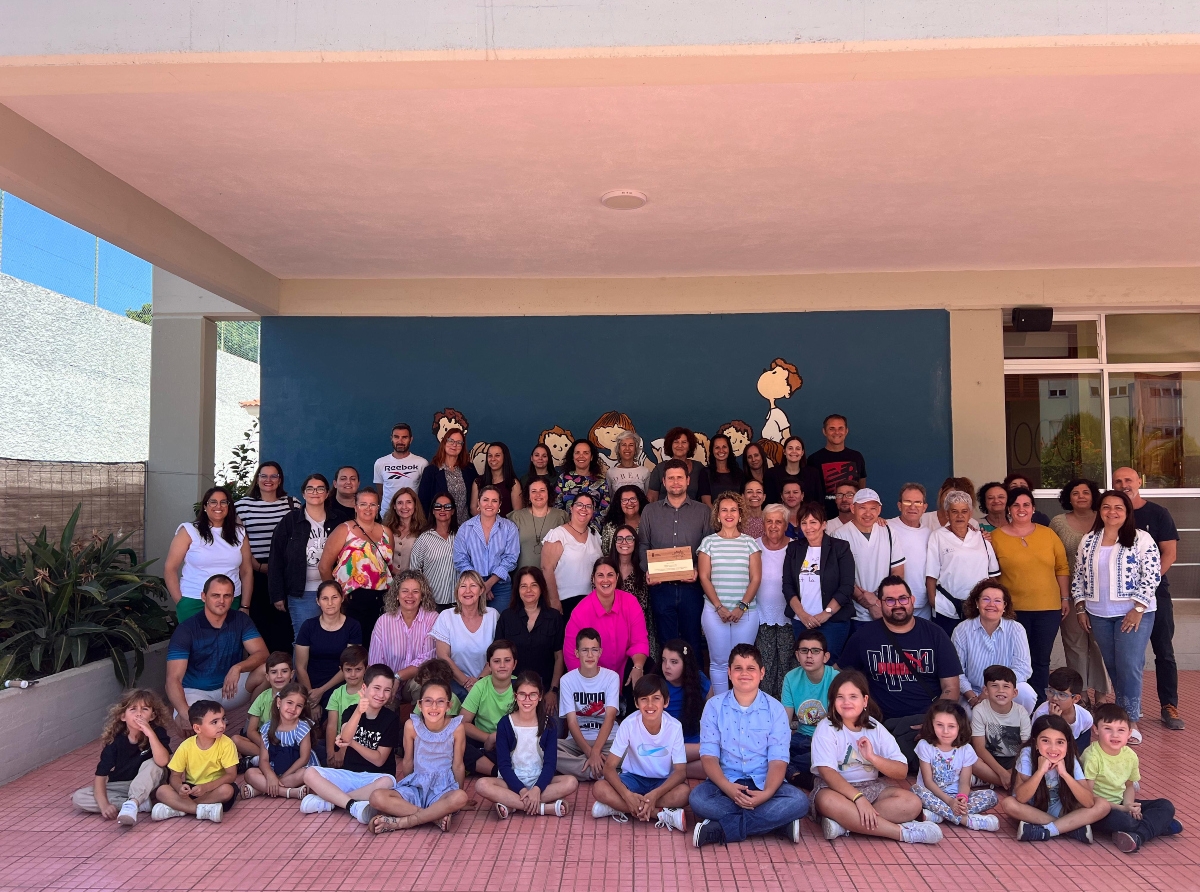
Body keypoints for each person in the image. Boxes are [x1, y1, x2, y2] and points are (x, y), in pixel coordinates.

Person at [689, 643, 810, 848]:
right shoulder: (714, 706)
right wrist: (727, 788)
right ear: (729, 673)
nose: (744, 674)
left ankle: (721, 829)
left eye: (751, 668)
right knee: (698, 799)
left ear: (762, 673)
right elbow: (708, 756)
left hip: (764, 782)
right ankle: (776, 824)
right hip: (727, 784)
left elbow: (778, 759)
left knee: (799, 801)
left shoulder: (775, 709)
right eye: (738, 668)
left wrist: (767, 794)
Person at [838, 576, 962, 772]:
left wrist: (933, 723)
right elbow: (840, 677)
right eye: (890, 600)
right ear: (879, 603)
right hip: (878, 725)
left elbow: (951, 689)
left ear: (912, 600)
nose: (898, 605)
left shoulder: (935, 634)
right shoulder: (864, 636)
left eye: (903, 599)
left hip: (924, 719)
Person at [809, 670, 939, 844]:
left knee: (912, 803)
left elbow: (901, 771)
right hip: (835, 789)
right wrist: (858, 799)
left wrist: (872, 757)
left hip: (872, 787)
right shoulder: (826, 727)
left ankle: (846, 824)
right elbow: (827, 773)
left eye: (853, 696)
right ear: (833, 702)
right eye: (840, 697)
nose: (846, 702)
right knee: (827, 801)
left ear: (864, 701)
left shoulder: (874, 727)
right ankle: (901, 833)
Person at [1072, 488, 1160, 744]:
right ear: (1100, 511)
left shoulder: (1141, 539)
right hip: (1099, 614)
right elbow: (1078, 576)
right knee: (1113, 667)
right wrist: (1080, 607)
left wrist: (1138, 608)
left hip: (1134, 614)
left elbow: (1152, 575)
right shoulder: (1089, 540)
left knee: (1129, 667)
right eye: (1107, 507)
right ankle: (1120, 716)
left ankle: (1129, 722)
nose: (1112, 512)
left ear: (1127, 512)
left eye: (1118, 508)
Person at [1112, 466, 1184, 731]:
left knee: (1163, 651)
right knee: (1129, 659)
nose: (1123, 485)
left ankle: (1169, 705)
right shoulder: (1110, 515)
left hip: (1156, 596)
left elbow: (1170, 554)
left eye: (1128, 480)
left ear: (1139, 482)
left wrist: (1146, 587)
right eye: (1117, 481)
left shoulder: (1157, 514)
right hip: (1118, 601)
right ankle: (1127, 710)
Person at [989, 487, 1069, 701]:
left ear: (1033, 508)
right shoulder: (995, 538)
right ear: (1008, 509)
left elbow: (1061, 567)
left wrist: (1065, 598)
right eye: (1016, 505)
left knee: (1041, 660)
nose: (1021, 509)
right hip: (1013, 612)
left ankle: (1039, 706)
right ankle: (1014, 703)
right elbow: (992, 576)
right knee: (1015, 659)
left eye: (1026, 505)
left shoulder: (1048, 534)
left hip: (1048, 609)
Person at [164, 575, 268, 736]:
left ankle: (250, 728)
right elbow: (172, 679)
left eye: (227, 595)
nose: (222, 600)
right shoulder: (187, 629)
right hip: (197, 691)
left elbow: (262, 654)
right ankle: (199, 755)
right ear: (204, 597)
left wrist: (238, 667)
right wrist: (186, 714)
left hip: (230, 688)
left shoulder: (240, 620)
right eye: (215, 595)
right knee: (188, 725)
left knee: (267, 671)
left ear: (233, 597)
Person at [366, 678, 471, 835]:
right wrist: (405, 788)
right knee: (376, 797)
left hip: (443, 788)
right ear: (419, 705)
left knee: (460, 797)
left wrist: (458, 795)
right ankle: (433, 817)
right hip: (417, 785)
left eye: (440, 701)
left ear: (449, 706)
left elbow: (458, 765)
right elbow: (408, 761)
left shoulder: (457, 728)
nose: (434, 707)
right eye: (428, 701)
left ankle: (404, 821)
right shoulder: (411, 726)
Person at [300, 664, 400, 823]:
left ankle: (332, 802)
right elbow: (345, 738)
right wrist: (359, 711)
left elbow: (379, 759)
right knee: (310, 773)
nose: (381, 695)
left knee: (389, 782)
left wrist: (352, 743)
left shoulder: (391, 719)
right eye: (376, 688)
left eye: (387, 690)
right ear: (364, 688)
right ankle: (353, 805)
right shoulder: (351, 711)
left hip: (376, 779)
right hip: (350, 775)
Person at [591, 674, 690, 830]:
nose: (650, 705)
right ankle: (659, 814)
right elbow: (609, 767)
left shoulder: (674, 726)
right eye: (644, 699)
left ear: (666, 702)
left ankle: (618, 808)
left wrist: (655, 794)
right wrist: (627, 795)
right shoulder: (628, 724)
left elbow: (680, 772)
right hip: (633, 779)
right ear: (636, 703)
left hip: (661, 781)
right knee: (599, 788)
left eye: (656, 698)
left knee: (684, 793)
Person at [475, 670, 578, 819]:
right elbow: (503, 765)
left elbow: (550, 764)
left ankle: (512, 805)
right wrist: (522, 790)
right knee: (481, 785)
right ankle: (543, 808)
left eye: (533, 694)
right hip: (511, 781)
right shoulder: (505, 723)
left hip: (539, 779)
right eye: (522, 694)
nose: (527, 699)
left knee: (571, 782)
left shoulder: (549, 724)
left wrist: (537, 789)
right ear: (515, 696)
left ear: (540, 696)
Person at [1083, 703, 1182, 853]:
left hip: (1122, 803)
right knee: (1125, 822)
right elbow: (1087, 796)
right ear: (1096, 729)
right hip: (1098, 808)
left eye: (1121, 730)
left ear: (1129, 733)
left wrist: (1130, 806)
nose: (1115, 735)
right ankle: (1158, 826)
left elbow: (1129, 785)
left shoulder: (1130, 755)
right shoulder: (1092, 756)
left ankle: (1138, 836)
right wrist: (1123, 809)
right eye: (1107, 729)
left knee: (1165, 805)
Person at [638, 459, 711, 657]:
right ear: (663, 481)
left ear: (688, 481)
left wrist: (697, 569)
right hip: (661, 588)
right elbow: (643, 544)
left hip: (692, 588)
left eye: (680, 477)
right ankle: (669, 687)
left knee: (693, 641)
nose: (675, 482)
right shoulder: (649, 511)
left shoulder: (703, 511)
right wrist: (648, 570)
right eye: (671, 478)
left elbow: (708, 548)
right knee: (666, 642)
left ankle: (692, 686)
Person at [998, 713, 1111, 842]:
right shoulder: (1027, 754)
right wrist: (1040, 771)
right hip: (1034, 811)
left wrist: (1064, 774)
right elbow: (1021, 798)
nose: (1053, 748)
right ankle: (1069, 828)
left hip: (1062, 808)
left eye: (1060, 742)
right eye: (1045, 741)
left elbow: (1088, 802)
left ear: (1067, 745)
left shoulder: (1070, 759)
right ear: (1035, 743)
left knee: (1103, 805)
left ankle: (1046, 831)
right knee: (1008, 804)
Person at [1049, 478, 1110, 707]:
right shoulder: (1058, 523)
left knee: (1100, 643)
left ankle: (1102, 693)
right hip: (1070, 594)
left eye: (1086, 492)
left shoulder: (1105, 519)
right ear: (1069, 497)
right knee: (1074, 644)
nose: (1081, 496)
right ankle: (1081, 693)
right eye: (1076, 493)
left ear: (1094, 495)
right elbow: (1054, 558)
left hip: (1101, 595)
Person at [71, 689, 171, 825]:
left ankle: (134, 802)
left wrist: (150, 733)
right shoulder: (115, 742)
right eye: (133, 709)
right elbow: (100, 776)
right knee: (79, 797)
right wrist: (104, 805)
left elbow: (163, 761)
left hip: (152, 782)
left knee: (153, 763)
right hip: (123, 785)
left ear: (152, 716)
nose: (139, 714)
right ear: (123, 716)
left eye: (145, 709)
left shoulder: (157, 733)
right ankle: (138, 804)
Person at [697, 493, 762, 695]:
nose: (729, 514)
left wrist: (741, 606)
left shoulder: (750, 543)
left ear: (740, 515)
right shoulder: (708, 542)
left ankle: (741, 704)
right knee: (718, 662)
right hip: (715, 612)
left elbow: (756, 578)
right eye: (724, 510)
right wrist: (719, 607)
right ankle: (720, 707)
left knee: (742, 663)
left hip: (746, 613)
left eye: (733, 509)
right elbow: (704, 577)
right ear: (717, 515)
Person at [164, 485, 253, 622]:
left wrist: (245, 605)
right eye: (213, 502)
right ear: (205, 506)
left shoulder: (239, 533)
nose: (218, 506)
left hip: (230, 601)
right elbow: (170, 568)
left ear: (229, 506)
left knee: (228, 643)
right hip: (194, 600)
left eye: (224, 502)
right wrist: (180, 602)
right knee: (196, 643)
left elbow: (246, 570)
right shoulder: (189, 531)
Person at [236, 462, 299, 653]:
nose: (268, 480)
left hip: (284, 575)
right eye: (264, 476)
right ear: (257, 478)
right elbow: (237, 540)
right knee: (259, 624)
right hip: (255, 573)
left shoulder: (292, 504)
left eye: (274, 476)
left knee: (284, 626)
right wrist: (256, 565)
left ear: (280, 480)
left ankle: (283, 674)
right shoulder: (242, 506)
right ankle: (262, 674)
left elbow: (297, 539)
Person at [783, 502, 856, 662]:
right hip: (802, 622)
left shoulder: (840, 548)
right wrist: (802, 614)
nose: (808, 527)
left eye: (813, 522)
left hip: (832, 623)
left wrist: (825, 614)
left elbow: (846, 587)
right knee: (807, 666)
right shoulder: (794, 548)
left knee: (828, 667)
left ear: (824, 524)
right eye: (804, 523)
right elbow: (787, 586)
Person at [563, 557, 650, 690]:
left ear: (617, 577)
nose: (605, 580)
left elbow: (640, 641)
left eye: (610, 575)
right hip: (594, 674)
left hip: (625, 669)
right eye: (600, 575)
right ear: (593, 579)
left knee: (648, 666)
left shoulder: (630, 602)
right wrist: (587, 684)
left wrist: (638, 667)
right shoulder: (580, 611)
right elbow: (571, 653)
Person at [269, 473, 339, 638]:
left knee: (333, 638)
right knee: (303, 639)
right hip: (301, 593)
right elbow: (276, 558)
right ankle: (301, 666)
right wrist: (277, 594)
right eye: (310, 488)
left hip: (334, 592)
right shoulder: (290, 521)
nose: (315, 492)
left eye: (320, 488)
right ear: (303, 494)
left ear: (327, 493)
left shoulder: (338, 520)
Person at [952, 581, 1036, 717]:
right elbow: (957, 672)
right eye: (986, 599)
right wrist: (973, 698)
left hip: (1006, 692)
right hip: (974, 693)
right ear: (977, 603)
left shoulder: (1016, 629)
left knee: (1027, 693)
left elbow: (1023, 668)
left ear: (1004, 606)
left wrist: (996, 690)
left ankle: (1017, 729)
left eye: (997, 601)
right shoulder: (962, 630)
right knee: (972, 719)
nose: (991, 605)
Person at [911, 701, 999, 831]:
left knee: (991, 796)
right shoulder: (925, 745)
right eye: (939, 725)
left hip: (955, 796)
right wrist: (949, 802)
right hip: (933, 795)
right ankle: (966, 820)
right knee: (915, 790)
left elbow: (965, 782)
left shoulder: (966, 749)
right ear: (931, 725)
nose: (945, 731)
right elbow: (928, 782)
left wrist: (961, 799)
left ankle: (940, 815)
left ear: (960, 727)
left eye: (951, 726)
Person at [319, 487, 392, 642]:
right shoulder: (343, 530)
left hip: (382, 599)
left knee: (378, 643)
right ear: (355, 506)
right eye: (363, 504)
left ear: (378, 507)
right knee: (354, 646)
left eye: (373, 505)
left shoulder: (386, 532)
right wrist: (336, 595)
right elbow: (324, 567)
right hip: (352, 599)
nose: (368, 508)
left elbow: (387, 566)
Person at [925, 490, 1001, 634]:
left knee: (977, 652)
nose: (960, 516)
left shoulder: (982, 538)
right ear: (947, 514)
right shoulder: (938, 536)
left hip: (979, 607)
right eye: (954, 511)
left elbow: (993, 576)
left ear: (970, 514)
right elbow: (931, 575)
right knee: (948, 652)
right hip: (947, 606)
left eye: (964, 511)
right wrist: (933, 602)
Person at [151, 700, 238, 823]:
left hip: (214, 788)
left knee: (227, 790)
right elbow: (175, 776)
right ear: (197, 728)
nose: (222, 725)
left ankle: (180, 809)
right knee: (161, 791)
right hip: (192, 789)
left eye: (223, 719)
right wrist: (180, 787)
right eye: (214, 722)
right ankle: (200, 810)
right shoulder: (186, 746)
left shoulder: (226, 743)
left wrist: (206, 787)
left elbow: (231, 775)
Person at [496, 567, 565, 717]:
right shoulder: (507, 617)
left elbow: (559, 657)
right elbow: (498, 656)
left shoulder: (554, 618)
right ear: (517, 590)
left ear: (541, 588)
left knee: (555, 732)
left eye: (534, 585)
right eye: (523, 586)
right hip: (512, 691)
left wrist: (553, 691)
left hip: (546, 690)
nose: (529, 590)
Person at [557, 628, 621, 781]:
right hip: (578, 743)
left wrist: (596, 751)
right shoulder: (567, 680)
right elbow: (571, 722)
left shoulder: (611, 677)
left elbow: (610, 717)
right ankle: (603, 771)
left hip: (609, 741)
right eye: (585, 650)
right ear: (577, 653)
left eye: (594, 650)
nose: (590, 655)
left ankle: (585, 769)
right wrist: (591, 754)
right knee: (544, 748)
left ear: (600, 652)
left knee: (635, 750)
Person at [833, 488, 905, 625]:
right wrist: (868, 603)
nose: (868, 513)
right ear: (853, 508)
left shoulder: (889, 532)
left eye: (873, 508)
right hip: (853, 615)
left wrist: (878, 600)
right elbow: (840, 577)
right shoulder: (839, 535)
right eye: (862, 508)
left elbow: (898, 572)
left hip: (885, 610)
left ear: (879, 510)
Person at [369, 569, 438, 705]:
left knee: (423, 683)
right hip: (387, 682)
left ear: (422, 595)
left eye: (415, 591)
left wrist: (398, 676)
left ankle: (420, 723)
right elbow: (376, 663)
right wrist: (387, 684)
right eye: (405, 591)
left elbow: (428, 659)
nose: (410, 596)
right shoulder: (384, 621)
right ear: (396, 594)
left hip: (414, 681)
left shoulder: (432, 618)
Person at [241, 682, 317, 800]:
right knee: (250, 773)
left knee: (305, 774)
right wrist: (270, 776)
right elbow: (264, 760)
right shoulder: (267, 728)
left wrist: (282, 777)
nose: (293, 709)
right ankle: (290, 792)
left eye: (299, 706)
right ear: (279, 702)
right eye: (290, 703)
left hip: (296, 770)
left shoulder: (302, 727)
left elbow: (304, 758)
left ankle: (260, 789)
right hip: (275, 768)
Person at [430, 571, 500, 699]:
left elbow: (497, 654)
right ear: (457, 592)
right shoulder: (446, 616)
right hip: (455, 684)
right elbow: (442, 655)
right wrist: (467, 684)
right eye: (463, 586)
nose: (467, 591)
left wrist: (479, 682)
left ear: (481, 590)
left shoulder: (493, 616)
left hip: (487, 682)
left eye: (473, 585)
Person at [295, 580, 363, 710]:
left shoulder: (353, 626)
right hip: (309, 683)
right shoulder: (308, 626)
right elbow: (300, 666)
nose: (330, 603)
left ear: (342, 598)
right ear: (317, 601)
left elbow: (350, 665)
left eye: (334, 597)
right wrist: (311, 697)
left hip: (339, 682)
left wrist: (320, 691)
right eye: (325, 598)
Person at [781, 630, 836, 788]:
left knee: (822, 757)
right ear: (797, 655)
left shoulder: (836, 679)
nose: (809, 656)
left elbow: (840, 725)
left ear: (825, 657)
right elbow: (784, 722)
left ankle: (794, 774)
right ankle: (800, 775)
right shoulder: (791, 678)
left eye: (815, 651)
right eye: (804, 651)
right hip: (800, 739)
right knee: (768, 752)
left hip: (827, 741)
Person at [453, 484, 520, 613]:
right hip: (470, 586)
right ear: (478, 502)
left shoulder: (509, 527)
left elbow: (511, 559)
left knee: (499, 625)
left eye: (494, 501)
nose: (489, 504)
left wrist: (488, 584)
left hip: (500, 586)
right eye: (485, 500)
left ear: (500, 504)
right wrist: (478, 585)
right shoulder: (466, 528)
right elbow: (460, 559)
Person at [541, 491, 603, 618]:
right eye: (579, 504)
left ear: (592, 511)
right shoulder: (558, 534)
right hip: (565, 601)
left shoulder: (595, 535)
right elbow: (547, 568)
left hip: (591, 601)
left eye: (588, 506)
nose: (583, 509)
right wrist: (554, 600)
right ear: (571, 508)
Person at [969, 665, 1033, 788]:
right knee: (971, 760)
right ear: (986, 691)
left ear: (1014, 692)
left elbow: (1026, 748)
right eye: (994, 686)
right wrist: (1002, 773)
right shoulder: (979, 710)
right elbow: (979, 748)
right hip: (990, 759)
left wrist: (1010, 771)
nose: (1000, 690)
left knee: (1031, 764)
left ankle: (991, 781)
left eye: (1006, 686)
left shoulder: (1021, 712)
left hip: (1015, 760)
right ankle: (1012, 784)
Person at [460, 640, 517, 777]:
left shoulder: (521, 686)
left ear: (514, 664)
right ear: (489, 666)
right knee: (455, 743)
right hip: (483, 742)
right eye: (496, 661)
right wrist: (489, 738)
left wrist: (501, 739)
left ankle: (491, 769)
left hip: (513, 743)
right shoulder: (480, 686)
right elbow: (463, 723)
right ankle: (498, 772)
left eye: (507, 660)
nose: (502, 665)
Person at [752, 504, 792, 698]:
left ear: (785, 525)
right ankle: (765, 707)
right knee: (765, 665)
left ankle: (785, 710)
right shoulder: (753, 546)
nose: (774, 526)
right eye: (769, 521)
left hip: (789, 616)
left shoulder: (796, 547)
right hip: (761, 615)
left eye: (779, 521)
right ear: (763, 523)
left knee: (787, 665)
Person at [658, 639, 710, 780]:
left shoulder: (699, 680)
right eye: (664, 660)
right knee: (713, 754)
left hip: (693, 741)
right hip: (666, 745)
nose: (666, 666)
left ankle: (674, 770)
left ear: (685, 664)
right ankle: (670, 768)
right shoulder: (656, 684)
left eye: (674, 662)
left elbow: (713, 715)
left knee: (716, 764)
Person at [233, 650, 295, 758]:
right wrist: (268, 747)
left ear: (292, 674)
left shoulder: (297, 697)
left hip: (290, 742)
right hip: (265, 744)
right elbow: (251, 731)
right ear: (267, 676)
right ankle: (269, 757)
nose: (279, 676)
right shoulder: (262, 697)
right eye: (274, 672)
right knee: (235, 740)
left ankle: (260, 759)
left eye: (284, 671)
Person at [609, 523, 657, 661]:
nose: (624, 542)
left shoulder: (643, 570)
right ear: (614, 542)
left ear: (635, 542)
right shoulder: (606, 569)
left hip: (637, 630)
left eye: (629, 538)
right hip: (611, 629)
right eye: (620, 538)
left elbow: (644, 607)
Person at [807, 414, 867, 518]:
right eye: (832, 429)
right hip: (825, 517)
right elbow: (812, 493)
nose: (837, 432)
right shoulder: (814, 459)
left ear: (846, 431)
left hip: (852, 517)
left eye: (840, 428)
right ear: (824, 432)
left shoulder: (857, 457)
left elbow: (861, 488)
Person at [887, 484, 932, 619]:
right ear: (899, 505)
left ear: (924, 507)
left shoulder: (930, 534)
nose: (913, 507)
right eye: (907, 502)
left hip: (922, 605)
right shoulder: (885, 527)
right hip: (893, 604)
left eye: (918, 502)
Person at [417, 427, 478, 524]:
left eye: (459, 442)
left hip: (466, 527)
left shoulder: (469, 470)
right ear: (444, 442)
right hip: (441, 528)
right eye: (451, 441)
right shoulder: (431, 471)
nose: (454, 445)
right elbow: (423, 503)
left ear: (462, 446)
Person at [409, 492, 460, 609]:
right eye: (438, 506)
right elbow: (414, 570)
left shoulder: (461, 536)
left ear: (453, 511)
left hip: (459, 601)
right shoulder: (424, 538)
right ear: (433, 510)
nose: (442, 510)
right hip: (432, 602)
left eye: (447, 507)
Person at [509, 478, 568, 573]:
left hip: (553, 578)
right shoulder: (516, 517)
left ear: (548, 493)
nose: (538, 495)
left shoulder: (561, 516)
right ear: (528, 495)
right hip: (523, 579)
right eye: (533, 491)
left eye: (542, 490)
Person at [325, 645, 368, 767]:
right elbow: (332, 725)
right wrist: (331, 753)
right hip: (338, 742)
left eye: (358, 669)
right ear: (341, 669)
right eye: (348, 669)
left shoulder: (368, 693)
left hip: (361, 744)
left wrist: (342, 752)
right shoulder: (337, 693)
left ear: (366, 669)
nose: (353, 674)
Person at [1032, 667, 1094, 751]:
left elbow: (1081, 751)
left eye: (1062, 695)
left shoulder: (1085, 718)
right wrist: (1052, 721)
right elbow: (1037, 746)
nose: (1054, 698)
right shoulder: (1041, 714)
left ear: (1075, 698)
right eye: (1051, 691)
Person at [647, 427, 712, 505]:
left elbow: (704, 498)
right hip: (664, 515)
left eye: (684, 442)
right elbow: (652, 498)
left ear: (689, 445)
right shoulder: (660, 469)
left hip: (693, 514)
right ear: (670, 445)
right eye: (676, 442)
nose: (680, 445)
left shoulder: (698, 467)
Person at [374, 422, 429, 513]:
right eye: (396, 437)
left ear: (411, 440)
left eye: (404, 437)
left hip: (413, 516)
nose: (400, 441)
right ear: (391, 438)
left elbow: (425, 493)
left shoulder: (422, 463)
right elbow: (381, 493)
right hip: (387, 516)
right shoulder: (380, 463)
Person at [557, 439, 610, 529]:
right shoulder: (563, 479)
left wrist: (589, 531)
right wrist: (568, 529)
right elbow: (557, 507)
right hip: (566, 532)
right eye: (577, 452)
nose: (581, 456)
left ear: (591, 457)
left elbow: (605, 511)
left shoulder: (601, 481)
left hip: (592, 533)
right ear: (572, 456)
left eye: (586, 453)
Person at [470, 442, 524, 518]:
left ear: (505, 457)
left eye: (497, 455)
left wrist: (501, 526)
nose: (493, 459)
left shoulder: (513, 483)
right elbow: (473, 509)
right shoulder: (478, 482)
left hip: (506, 528)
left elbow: (517, 513)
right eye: (490, 456)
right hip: (482, 528)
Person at [764, 436, 821, 505]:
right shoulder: (771, 474)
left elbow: (819, 502)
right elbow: (768, 503)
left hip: (807, 515)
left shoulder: (813, 474)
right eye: (790, 448)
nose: (794, 451)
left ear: (802, 453)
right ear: (784, 451)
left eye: (798, 449)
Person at [382, 487, 425, 575]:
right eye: (400, 503)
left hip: (412, 583)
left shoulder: (423, 531)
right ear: (394, 506)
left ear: (415, 505)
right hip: (388, 582)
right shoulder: (385, 529)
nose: (404, 507)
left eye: (409, 502)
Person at [600, 484, 646, 553]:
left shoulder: (649, 523)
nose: (629, 503)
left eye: (633, 499)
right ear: (619, 504)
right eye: (624, 500)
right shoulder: (610, 526)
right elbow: (605, 553)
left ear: (640, 501)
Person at [605, 430, 651, 494]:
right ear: (618, 449)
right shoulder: (611, 472)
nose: (627, 448)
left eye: (631, 445)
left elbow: (648, 497)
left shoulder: (645, 471)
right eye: (624, 445)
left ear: (635, 449)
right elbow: (609, 497)